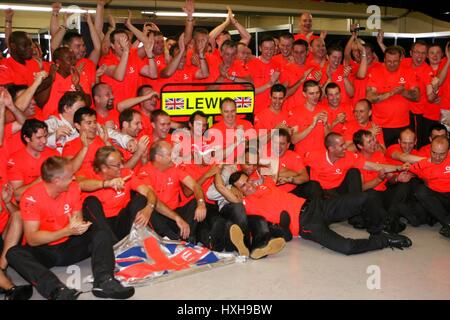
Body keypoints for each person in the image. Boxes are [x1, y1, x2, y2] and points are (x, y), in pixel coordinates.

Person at [6, 156, 135, 300]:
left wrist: (79, 226)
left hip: (71, 243)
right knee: (14, 253)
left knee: (101, 234)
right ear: (56, 181)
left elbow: (77, 220)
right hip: (47, 249)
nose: (74, 178)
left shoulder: (73, 188)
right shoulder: (31, 197)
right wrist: (66, 231)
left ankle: (104, 281)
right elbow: (33, 239)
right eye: (69, 176)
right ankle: (57, 291)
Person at [228, 171, 412, 255]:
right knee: (346, 248)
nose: (249, 185)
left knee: (367, 197)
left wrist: (257, 171)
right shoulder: (246, 203)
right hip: (307, 225)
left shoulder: (264, 184)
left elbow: (273, 170)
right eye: (243, 185)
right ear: (238, 191)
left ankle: (378, 229)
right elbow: (223, 189)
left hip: (317, 206)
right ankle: (384, 240)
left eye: (248, 181)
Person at [77, 146, 190, 244]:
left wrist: (149, 209)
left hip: (121, 222)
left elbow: (149, 192)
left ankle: (170, 238)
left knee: (141, 199)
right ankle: (112, 246)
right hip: (101, 225)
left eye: (122, 162)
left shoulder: (126, 174)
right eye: (117, 165)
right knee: (91, 201)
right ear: (104, 168)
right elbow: (81, 184)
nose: (122, 167)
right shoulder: (87, 173)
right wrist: (107, 184)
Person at [366, 46, 420, 147]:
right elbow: (370, 97)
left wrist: (403, 92)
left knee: (401, 157)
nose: (391, 64)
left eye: (395, 61)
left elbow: (417, 96)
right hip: (380, 125)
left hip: (402, 124)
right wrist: (390, 94)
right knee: (382, 155)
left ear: (400, 59)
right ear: (384, 59)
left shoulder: (408, 71)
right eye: (389, 61)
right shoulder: (376, 71)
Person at [408, 136, 450, 238]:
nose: (437, 157)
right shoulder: (422, 164)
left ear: (448, 151)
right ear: (430, 150)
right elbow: (406, 170)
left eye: (441, 154)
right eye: (434, 153)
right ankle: (447, 223)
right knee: (420, 192)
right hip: (436, 199)